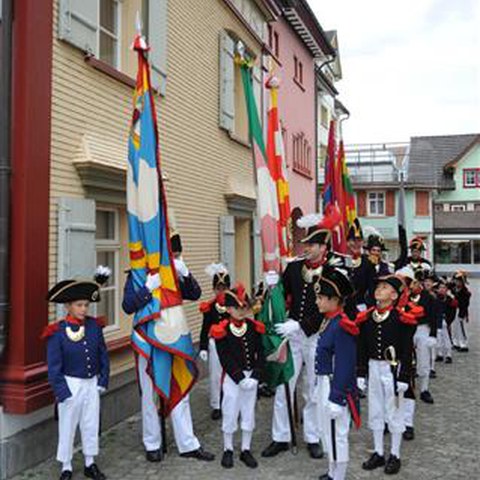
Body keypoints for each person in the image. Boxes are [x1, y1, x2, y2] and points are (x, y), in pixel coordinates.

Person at [122, 232, 214, 463]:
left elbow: (195, 294)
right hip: (149, 340)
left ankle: (187, 443)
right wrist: (146, 288)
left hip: (174, 338)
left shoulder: (175, 274)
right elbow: (127, 305)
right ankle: (152, 442)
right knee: (150, 394)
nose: (174, 257)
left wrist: (185, 273)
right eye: (171, 254)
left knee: (180, 390)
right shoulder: (138, 274)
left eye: (176, 254)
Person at [261, 207, 343, 460]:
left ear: (323, 247)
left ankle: (313, 436)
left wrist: (301, 325)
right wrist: (271, 287)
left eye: (310, 244)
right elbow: (282, 300)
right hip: (293, 335)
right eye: (304, 243)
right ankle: (280, 436)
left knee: (314, 388)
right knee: (286, 383)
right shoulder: (294, 269)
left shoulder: (333, 273)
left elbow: (331, 307)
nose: (305, 247)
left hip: (319, 337)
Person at [43, 267, 111, 480]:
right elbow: (53, 367)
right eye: (79, 305)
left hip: (91, 383)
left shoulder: (94, 327)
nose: (84, 309)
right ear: (68, 306)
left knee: (91, 423)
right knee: (68, 425)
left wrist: (102, 380)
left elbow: (103, 354)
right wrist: (62, 392)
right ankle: (66, 465)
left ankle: (90, 462)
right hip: (70, 383)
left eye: (86, 305)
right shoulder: (57, 332)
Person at [357, 275, 416, 475]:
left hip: (393, 368)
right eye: (378, 287)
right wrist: (361, 373)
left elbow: (408, 351)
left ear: (393, 295)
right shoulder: (367, 318)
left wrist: (404, 377)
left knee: (394, 412)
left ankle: (395, 454)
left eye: (384, 287)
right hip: (374, 367)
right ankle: (378, 452)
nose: (378, 290)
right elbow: (362, 347)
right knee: (375, 409)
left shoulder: (402, 320)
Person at [210, 284, 265, 469]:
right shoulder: (221, 329)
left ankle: (246, 449)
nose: (241, 311)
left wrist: (256, 375)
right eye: (237, 308)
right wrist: (240, 377)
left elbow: (261, 352)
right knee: (230, 410)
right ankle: (228, 449)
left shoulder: (253, 327)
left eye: (244, 308)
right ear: (228, 309)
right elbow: (224, 357)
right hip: (233, 379)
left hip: (251, 378)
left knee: (248, 412)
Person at [314, 263, 360, 480]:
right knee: (327, 432)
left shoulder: (342, 325)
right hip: (325, 383)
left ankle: (339, 476)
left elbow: (345, 364)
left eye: (321, 297)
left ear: (334, 300)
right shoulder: (328, 321)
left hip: (335, 387)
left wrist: (337, 397)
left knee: (337, 435)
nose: (317, 301)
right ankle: (332, 471)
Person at [198, 263, 230, 420]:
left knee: (231, 374)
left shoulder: (233, 305)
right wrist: (203, 347)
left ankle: (230, 403)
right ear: (214, 289)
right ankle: (216, 405)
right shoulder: (209, 307)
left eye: (224, 287)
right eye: (218, 288)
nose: (221, 291)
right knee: (216, 375)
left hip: (231, 343)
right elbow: (205, 328)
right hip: (215, 344)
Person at [408, 271, 436, 404]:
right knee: (406, 358)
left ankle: (424, 389)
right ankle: (407, 386)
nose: (414, 285)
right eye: (412, 282)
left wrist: (433, 334)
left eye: (417, 282)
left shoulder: (428, 297)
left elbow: (434, 316)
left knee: (424, 359)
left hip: (423, 329)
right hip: (407, 330)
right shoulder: (404, 296)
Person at [346, 219, 376, 319]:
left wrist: (370, 308)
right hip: (342, 308)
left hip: (361, 307)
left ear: (363, 242)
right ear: (347, 242)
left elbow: (372, 289)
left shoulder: (368, 262)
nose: (356, 243)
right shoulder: (340, 260)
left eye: (359, 240)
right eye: (352, 240)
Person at [434, 277, 456, 364]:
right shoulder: (435, 299)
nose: (442, 289)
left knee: (446, 338)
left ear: (447, 289)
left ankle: (448, 355)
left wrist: (448, 321)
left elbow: (452, 312)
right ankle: (439, 353)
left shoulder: (450, 299)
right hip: (437, 321)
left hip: (445, 321)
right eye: (440, 288)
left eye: (444, 288)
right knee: (437, 338)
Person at [451, 271, 471, 352]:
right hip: (454, 310)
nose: (457, 282)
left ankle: (464, 344)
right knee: (455, 328)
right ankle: (456, 342)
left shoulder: (465, 292)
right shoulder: (454, 289)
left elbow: (465, 304)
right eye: (456, 280)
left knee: (462, 328)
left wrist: (462, 314)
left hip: (461, 311)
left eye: (459, 281)